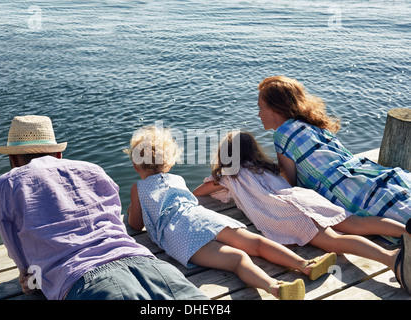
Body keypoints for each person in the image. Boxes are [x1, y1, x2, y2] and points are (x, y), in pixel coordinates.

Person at [0, 115, 208, 300]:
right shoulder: (93, 170)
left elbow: (22, 259)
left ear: (12, 159)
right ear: (58, 154)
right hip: (151, 264)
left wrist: (31, 281)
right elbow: (114, 220)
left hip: (87, 282)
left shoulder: (6, 185)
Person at [125, 125, 338, 300]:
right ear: (169, 163)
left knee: (237, 259)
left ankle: (274, 287)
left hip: (179, 234)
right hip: (202, 218)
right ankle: (305, 264)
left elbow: (135, 224)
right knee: (256, 243)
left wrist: (132, 209)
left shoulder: (137, 188)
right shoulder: (177, 180)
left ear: (136, 165)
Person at [193, 131, 411, 294]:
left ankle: (391, 259)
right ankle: (406, 232)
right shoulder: (266, 166)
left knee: (334, 242)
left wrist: (218, 175)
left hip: (284, 213)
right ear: (252, 150)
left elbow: (199, 192)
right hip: (303, 198)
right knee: (356, 224)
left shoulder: (226, 177)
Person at [256, 76, 411, 228]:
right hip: (362, 172)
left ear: (274, 109)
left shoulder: (282, 134)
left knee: (389, 214)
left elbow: (290, 183)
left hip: (341, 189)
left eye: (260, 108)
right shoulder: (312, 125)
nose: (258, 114)